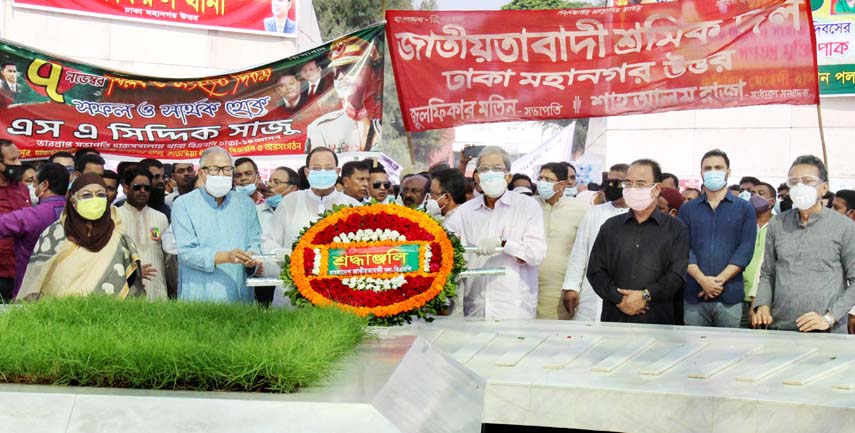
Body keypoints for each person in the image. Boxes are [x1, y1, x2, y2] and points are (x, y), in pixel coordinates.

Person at [754, 155, 855, 334]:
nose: (800, 187)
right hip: (781, 327)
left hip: (827, 331)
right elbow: (768, 274)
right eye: (794, 182)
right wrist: (762, 305)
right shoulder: (778, 223)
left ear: (824, 188)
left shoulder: (844, 227)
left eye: (807, 181)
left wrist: (829, 318)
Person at [444, 146, 546, 319]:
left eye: (497, 169)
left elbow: (536, 254)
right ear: (476, 176)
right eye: (484, 169)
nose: (490, 174)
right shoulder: (465, 211)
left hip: (514, 308)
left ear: (508, 176)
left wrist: (504, 244)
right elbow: (444, 243)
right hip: (476, 306)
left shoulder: (527, 206)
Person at [587, 159, 689, 324]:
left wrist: (645, 296)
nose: (633, 189)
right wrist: (621, 299)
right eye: (628, 183)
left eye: (640, 184)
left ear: (656, 189)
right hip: (615, 317)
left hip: (657, 320)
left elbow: (676, 275)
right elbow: (595, 271)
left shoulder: (675, 229)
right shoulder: (610, 227)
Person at [16, 174, 146, 301]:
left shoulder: (119, 238)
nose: (95, 199)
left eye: (101, 194)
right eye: (87, 195)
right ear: (72, 200)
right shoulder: (55, 234)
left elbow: (131, 285)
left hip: (108, 318)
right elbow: (35, 278)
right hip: (57, 316)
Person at [171, 147, 262, 303]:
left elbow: (255, 242)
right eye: (214, 169)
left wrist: (252, 258)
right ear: (201, 173)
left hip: (239, 295)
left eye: (227, 169)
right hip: (199, 294)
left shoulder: (245, 204)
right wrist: (226, 257)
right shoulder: (183, 204)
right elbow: (186, 253)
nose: (222, 174)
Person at [679, 149, 756, 328]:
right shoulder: (688, 209)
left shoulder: (744, 209)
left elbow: (745, 249)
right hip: (694, 295)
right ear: (701, 173)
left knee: (727, 352)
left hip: (729, 296)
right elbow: (683, 248)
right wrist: (702, 280)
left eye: (718, 167)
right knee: (693, 350)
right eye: (708, 168)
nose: (713, 172)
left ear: (728, 172)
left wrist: (717, 281)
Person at [561, 163, 630, 321]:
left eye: (616, 182)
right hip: (590, 293)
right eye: (608, 181)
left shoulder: (638, 214)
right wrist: (571, 287)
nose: (611, 186)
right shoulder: (594, 213)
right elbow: (579, 252)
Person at [264, 147, 360, 258]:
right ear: (307, 172)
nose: (323, 173)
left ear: (337, 172)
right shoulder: (290, 202)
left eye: (328, 169)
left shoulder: (353, 206)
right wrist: (289, 257)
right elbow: (270, 241)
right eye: (317, 169)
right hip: (294, 271)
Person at [0, 163, 67, 298]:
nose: (32, 187)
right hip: (65, 286)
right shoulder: (75, 211)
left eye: (34, 182)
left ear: (45, 185)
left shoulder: (33, 215)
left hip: (30, 289)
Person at [535, 162, 589, 320]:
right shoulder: (529, 205)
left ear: (562, 184)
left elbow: (583, 250)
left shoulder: (581, 209)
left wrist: (573, 287)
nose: (542, 183)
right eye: (540, 178)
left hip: (561, 288)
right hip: (528, 285)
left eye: (548, 179)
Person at [117, 168, 169, 301]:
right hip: (126, 290)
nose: (142, 191)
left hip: (157, 289)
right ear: (125, 188)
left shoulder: (161, 218)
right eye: (137, 187)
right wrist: (135, 271)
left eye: (147, 188)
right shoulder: (115, 217)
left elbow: (168, 258)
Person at [255, 166, 299, 306]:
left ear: (293, 189)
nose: (270, 185)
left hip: (291, 281)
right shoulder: (255, 212)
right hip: (259, 280)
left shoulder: (299, 214)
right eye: (270, 181)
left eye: (277, 182)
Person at [740, 182, 776, 328]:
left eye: (761, 194)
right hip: (739, 293)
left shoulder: (779, 226)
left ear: (772, 201)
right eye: (752, 193)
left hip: (766, 297)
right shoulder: (743, 223)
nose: (755, 196)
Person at [0, 139, 30, 301]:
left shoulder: (22, 189)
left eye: (18, 158)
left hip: (19, 271)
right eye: (12, 160)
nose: (18, 163)